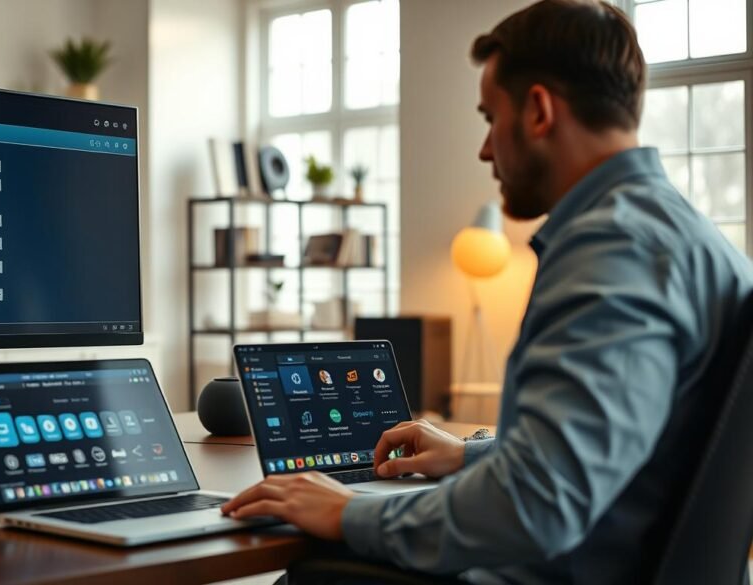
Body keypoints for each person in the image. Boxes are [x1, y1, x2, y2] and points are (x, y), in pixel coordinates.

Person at [221, 1, 753, 582]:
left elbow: (537, 504)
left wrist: (349, 511)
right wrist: (468, 455)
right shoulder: (697, 242)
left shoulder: (610, 250)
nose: (484, 148)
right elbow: (601, 450)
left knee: (315, 570)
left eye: (488, 117)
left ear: (539, 111)